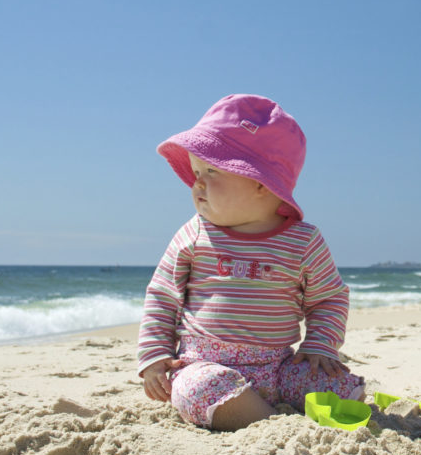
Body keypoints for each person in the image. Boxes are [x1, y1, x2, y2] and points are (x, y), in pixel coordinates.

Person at [137, 94, 365, 431]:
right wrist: (155, 357)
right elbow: (162, 296)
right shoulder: (194, 234)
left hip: (279, 368)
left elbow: (328, 298)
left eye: (211, 171)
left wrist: (319, 345)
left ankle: (264, 412)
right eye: (196, 171)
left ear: (261, 182)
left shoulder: (303, 241)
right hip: (204, 363)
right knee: (197, 390)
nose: (196, 183)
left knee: (344, 387)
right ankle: (270, 423)